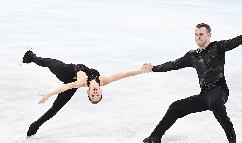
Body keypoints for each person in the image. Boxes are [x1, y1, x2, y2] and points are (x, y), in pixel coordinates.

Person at [142, 23, 242, 143]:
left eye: (201, 34)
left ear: (209, 35)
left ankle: (228, 128)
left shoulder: (218, 47)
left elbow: (239, 39)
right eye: (196, 34)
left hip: (220, 91)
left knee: (214, 101)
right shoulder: (192, 56)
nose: (198, 37)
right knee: (175, 107)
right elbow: (173, 64)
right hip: (205, 95)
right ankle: (154, 137)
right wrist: (154, 68)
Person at [22, 50, 152, 137]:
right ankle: (31, 56)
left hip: (65, 73)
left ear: (88, 93)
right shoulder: (104, 80)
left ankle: (35, 126)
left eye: (92, 96)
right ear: (101, 91)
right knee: (47, 62)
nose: (95, 93)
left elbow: (68, 86)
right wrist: (141, 71)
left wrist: (49, 94)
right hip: (68, 69)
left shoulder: (81, 82)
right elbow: (124, 75)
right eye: (97, 95)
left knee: (55, 108)